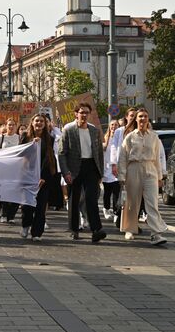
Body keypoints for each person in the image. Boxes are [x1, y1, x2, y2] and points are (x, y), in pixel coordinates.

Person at [117, 108, 168, 245]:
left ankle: (156, 234)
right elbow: (122, 157)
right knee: (132, 202)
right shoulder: (130, 137)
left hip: (150, 169)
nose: (143, 119)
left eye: (145, 116)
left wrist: (159, 176)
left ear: (148, 119)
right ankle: (129, 229)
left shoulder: (154, 137)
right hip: (134, 168)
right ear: (136, 119)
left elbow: (157, 157)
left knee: (152, 202)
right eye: (140, 116)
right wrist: (122, 176)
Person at [58, 102, 106, 242]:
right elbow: (62, 153)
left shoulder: (94, 130)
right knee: (74, 199)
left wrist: (100, 173)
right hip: (74, 168)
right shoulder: (69, 129)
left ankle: (96, 229)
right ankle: (74, 229)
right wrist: (65, 172)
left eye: (86, 112)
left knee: (91, 198)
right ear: (76, 114)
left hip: (91, 167)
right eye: (81, 112)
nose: (84, 115)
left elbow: (98, 153)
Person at [20, 114, 56, 241]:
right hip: (28, 177)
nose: (39, 123)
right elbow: (21, 156)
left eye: (42, 121)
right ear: (32, 122)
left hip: (44, 177)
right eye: (37, 121)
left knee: (41, 206)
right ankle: (25, 225)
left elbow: (49, 160)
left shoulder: (50, 139)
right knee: (27, 205)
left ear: (45, 124)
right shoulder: (25, 136)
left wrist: (43, 177)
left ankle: (37, 233)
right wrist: (32, 145)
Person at [0, 118, 21, 223]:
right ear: (6, 126)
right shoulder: (1, 138)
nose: (11, 127)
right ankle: (3, 214)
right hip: (4, 168)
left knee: (15, 192)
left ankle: (12, 216)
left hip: (16, 169)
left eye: (13, 125)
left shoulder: (19, 138)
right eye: (9, 124)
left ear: (16, 126)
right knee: (4, 191)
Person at [102, 119, 120, 220]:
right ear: (109, 126)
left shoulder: (120, 137)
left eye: (116, 125)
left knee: (116, 191)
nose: (114, 127)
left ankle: (115, 211)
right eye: (112, 125)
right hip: (106, 168)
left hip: (116, 168)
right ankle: (106, 208)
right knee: (107, 191)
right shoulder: (105, 138)